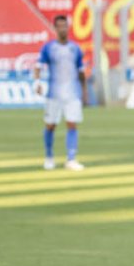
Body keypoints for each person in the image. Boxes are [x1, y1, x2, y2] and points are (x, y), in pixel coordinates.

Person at [33, 15, 86, 171]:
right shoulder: (49, 48)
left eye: (65, 26)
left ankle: (71, 159)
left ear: (68, 28)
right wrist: (37, 83)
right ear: (55, 28)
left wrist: (84, 91)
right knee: (50, 126)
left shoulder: (75, 49)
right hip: (54, 94)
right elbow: (38, 67)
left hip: (72, 93)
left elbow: (81, 71)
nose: (62, 29)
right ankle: (49, 157)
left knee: (72, 124)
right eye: (59, 26)